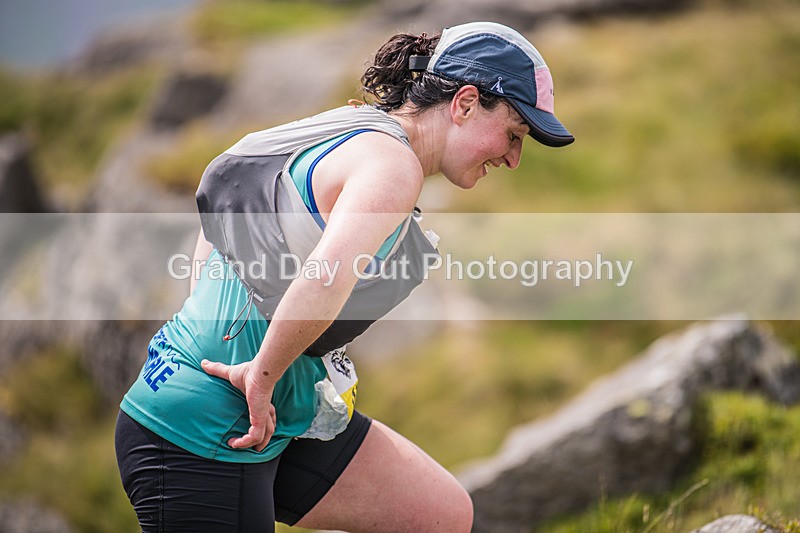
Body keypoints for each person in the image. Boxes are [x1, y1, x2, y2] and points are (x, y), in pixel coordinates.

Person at [115, 21, 573, 533]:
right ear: (465, 103)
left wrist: (241, 350)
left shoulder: (345, 126)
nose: (513, 158)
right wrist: (260, 373)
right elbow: (325, 278)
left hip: (268, 410)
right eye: (513, 134)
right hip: (200, 431)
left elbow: (223, 201)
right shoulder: (392, 165)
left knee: (441, 515)